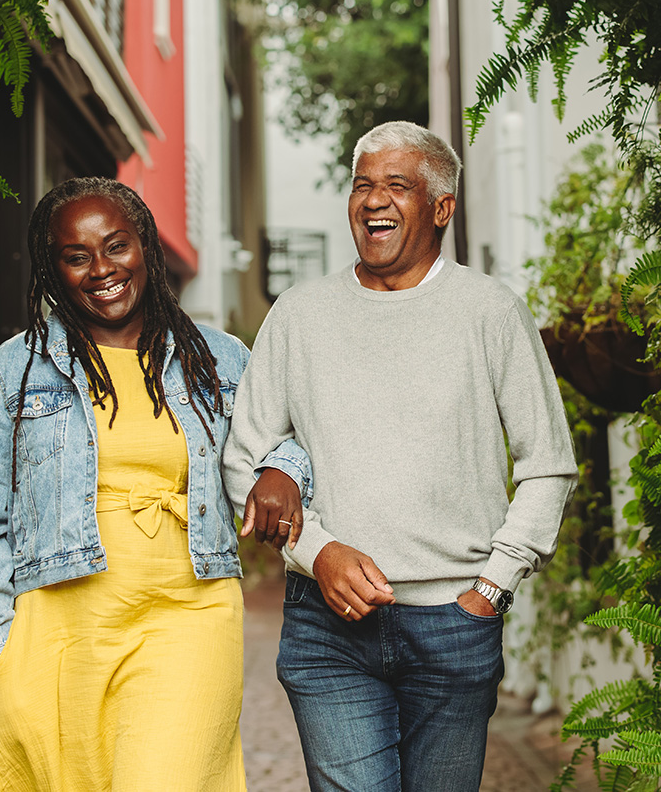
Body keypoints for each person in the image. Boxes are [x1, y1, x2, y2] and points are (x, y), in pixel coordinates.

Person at [222, 121, 578, 792]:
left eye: (396, 185)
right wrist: (319, 550)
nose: (373, 200)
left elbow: (547, 462)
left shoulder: (491, 312)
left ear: (441, 206)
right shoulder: (298, 315)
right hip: (326, 630)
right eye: (363, 185)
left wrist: (490, 588)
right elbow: (244, 458)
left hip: (454, 623)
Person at [0, 176, 309, 792]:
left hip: (187, 615)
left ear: (146, 245)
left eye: (116, 246)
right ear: (51, 267)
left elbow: (286, 441)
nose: (101, 269)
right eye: (76, 256)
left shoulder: (218, 360)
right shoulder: (11, 372)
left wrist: (284, 469)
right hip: (58, 633)